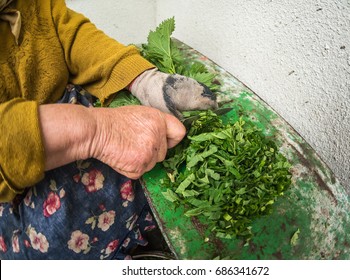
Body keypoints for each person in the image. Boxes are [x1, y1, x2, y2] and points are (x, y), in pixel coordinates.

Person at [0, 0, 217, 259]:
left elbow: (72, 36)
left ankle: (132, 239)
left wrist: (140, 79)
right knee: (55, 239)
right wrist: (98, 131)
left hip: (66, 121)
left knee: (141, 171)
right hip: (13, 183)